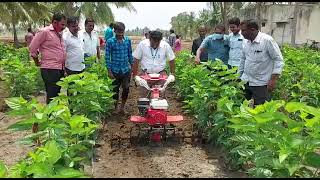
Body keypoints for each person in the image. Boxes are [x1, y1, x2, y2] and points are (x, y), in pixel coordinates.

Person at [239, 19, 284, 106]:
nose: (241, 33)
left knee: (260, 110)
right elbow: (243, 59)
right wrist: (239, 76)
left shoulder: (267, 40)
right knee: (244, 107)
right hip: (246, 81)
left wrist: (273, 80)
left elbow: (278, 60)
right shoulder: (245, 41)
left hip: (261, 83)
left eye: (243, 30)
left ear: (252, 29)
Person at [29, 12, 66, 104]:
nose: (64, 27)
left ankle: (54, 114)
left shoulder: (59, 33)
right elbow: (32, 48)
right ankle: (50, 116)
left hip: (59, 68)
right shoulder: (44, 32)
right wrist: (36, 61)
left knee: (56, 93)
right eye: (62, 24)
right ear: (54, 22)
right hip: (49, 68)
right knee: (52, 94)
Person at [132, 30, 176, 98]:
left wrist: (172, 74)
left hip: (160, 74)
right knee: (144, 98)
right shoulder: (142, 44)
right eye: (153, 42)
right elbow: (136, 60)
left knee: (161, 96)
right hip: (145, 74)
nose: (155, 44)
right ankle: (144, 107)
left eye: (157, 42)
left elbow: (171, 60)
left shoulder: (165, 46)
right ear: (149, 39)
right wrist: (135, 76)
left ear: (160, 40)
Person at [105, 22, 133, 113]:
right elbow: (107, 57)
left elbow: (130, 54)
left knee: (126, 88)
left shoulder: (127, 41)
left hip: (125, 69)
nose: (120, 33)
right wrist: (109, 71)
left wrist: (132, 67)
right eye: (118, 31)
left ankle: (122, 107)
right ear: (115, 31)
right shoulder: (110, 41)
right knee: (115, 90)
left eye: (122, 31)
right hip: (115, 70)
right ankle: (115, 107)